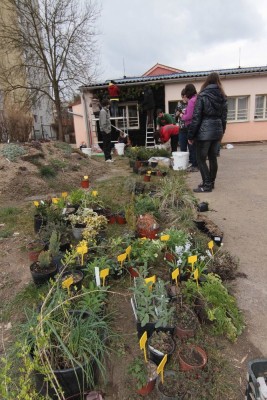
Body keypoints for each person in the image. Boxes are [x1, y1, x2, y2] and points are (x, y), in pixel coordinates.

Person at [187, 72, 227, 192]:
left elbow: (196, 117)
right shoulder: (223, 96)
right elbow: (224, 118)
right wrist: (222, 132)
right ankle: (210, 182)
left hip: (205, 132)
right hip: (217, 130)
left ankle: (207, 185)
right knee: (213, 157)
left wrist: (191, 135)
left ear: (207, 81)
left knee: (200, 158)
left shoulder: (202, 95)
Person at [180, 84, 198, 172]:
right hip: (197, 125)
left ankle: (194, 165)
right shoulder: (197, 98)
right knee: (195, 146)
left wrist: (182, 116)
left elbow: (189, 116)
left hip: (191, 125)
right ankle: (196, 164)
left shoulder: (191, 101)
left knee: (192, 145)